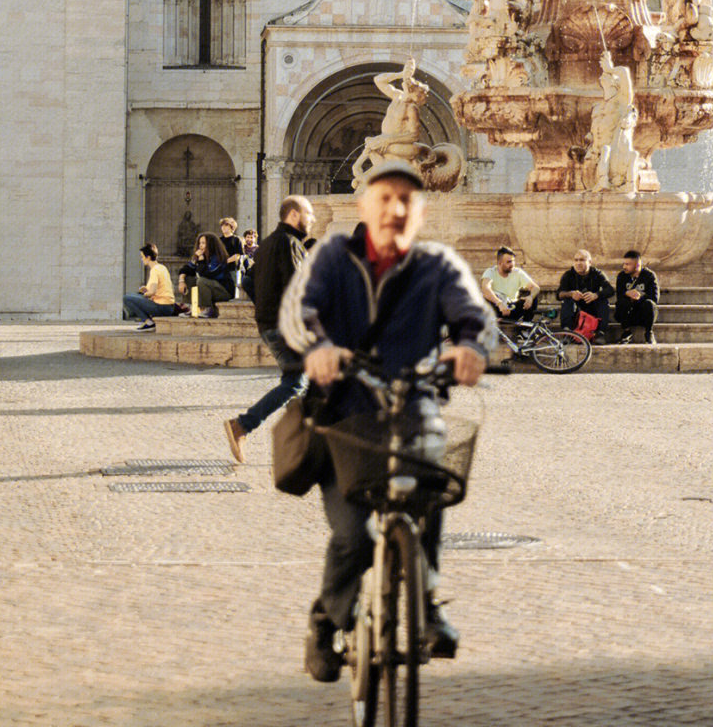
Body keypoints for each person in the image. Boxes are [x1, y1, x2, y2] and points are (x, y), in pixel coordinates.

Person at [278, 159, 496, 683]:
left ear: (419, 211)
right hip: (345, 415)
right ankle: (327, 620)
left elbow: (477, 315)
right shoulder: (333, 257)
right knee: (354, 533)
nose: (396, 209)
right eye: (385, 198)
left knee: (432, 488)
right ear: (364, 206)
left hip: (414, 405)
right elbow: (296, 311)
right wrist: (320, 347)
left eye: (407, 200)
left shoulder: (436, 265)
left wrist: (470, 347)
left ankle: (429, 598)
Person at [223, 196, 314, 464]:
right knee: (296, 382)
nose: (313, 219)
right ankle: (242, 425)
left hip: (270, 323)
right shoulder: (289, 243)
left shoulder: (265, 247)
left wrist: (264, 308)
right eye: (310, 214)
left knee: (301, 384)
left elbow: (249, 283)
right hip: (285, 325)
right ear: (295, 215)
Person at [177, 230, 235, 317]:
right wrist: (181, 281)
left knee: (201, 280)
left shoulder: (218, 258)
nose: (200, 246)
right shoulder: (202, 257)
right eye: (200, 243)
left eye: (203, 243)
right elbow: (187, 269)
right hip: (210, 288)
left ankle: (207, 309)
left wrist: (201, 260)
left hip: (224, 291)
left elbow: (207, 274)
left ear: (211, 245)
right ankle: (190, 307)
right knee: (189, 278)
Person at [557, 250, 612, 341]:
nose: (578, 263)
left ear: (589, 262)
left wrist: (596, 295)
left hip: (592, 308)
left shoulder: (597, 273)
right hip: (576, 310)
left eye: (582, 260)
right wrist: (571, 294)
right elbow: (558, 294)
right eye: (576, 260)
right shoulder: (568, 275)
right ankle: (567, 333)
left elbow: (610, 290)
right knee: (567, 300)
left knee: (603, 301)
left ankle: (600, 333)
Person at [121, 243, 177, 330]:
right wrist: (146, 289)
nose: (142, 259)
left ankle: (148, 322)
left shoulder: (154, 270)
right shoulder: (162, 267)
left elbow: (152, 292)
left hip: (161, 307)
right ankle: (149, 321)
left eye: (143, 257)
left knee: (127, 298)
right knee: (135, 296)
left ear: (148, 257)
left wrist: (145, 295)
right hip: (169, 306)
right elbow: (161, 288)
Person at [481, 246, 540, 322]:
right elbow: (485, 288)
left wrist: (531, 297)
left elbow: (536, 287)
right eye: (509, 262)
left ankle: (526, 328)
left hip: (512, 308)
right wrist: (499, 303)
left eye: (513, 261)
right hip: (497, 308)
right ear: (499, 263)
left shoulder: (517, 272)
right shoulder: (490, 272)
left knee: (533, 297)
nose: (512, 264)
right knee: (483, 297)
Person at [615, 250, 659, 344]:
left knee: (650, 304)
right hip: (628, 314)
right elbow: (618, 295)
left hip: (644, 313)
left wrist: (640, 296)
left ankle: (649, 333)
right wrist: (627, 293)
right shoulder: (622, 276)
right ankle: (627, 332)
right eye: (624, 264)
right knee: (621, 303)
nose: (624, 267)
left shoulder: (649, 275)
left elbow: (655, 298)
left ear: (637, 265)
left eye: (628, 264)